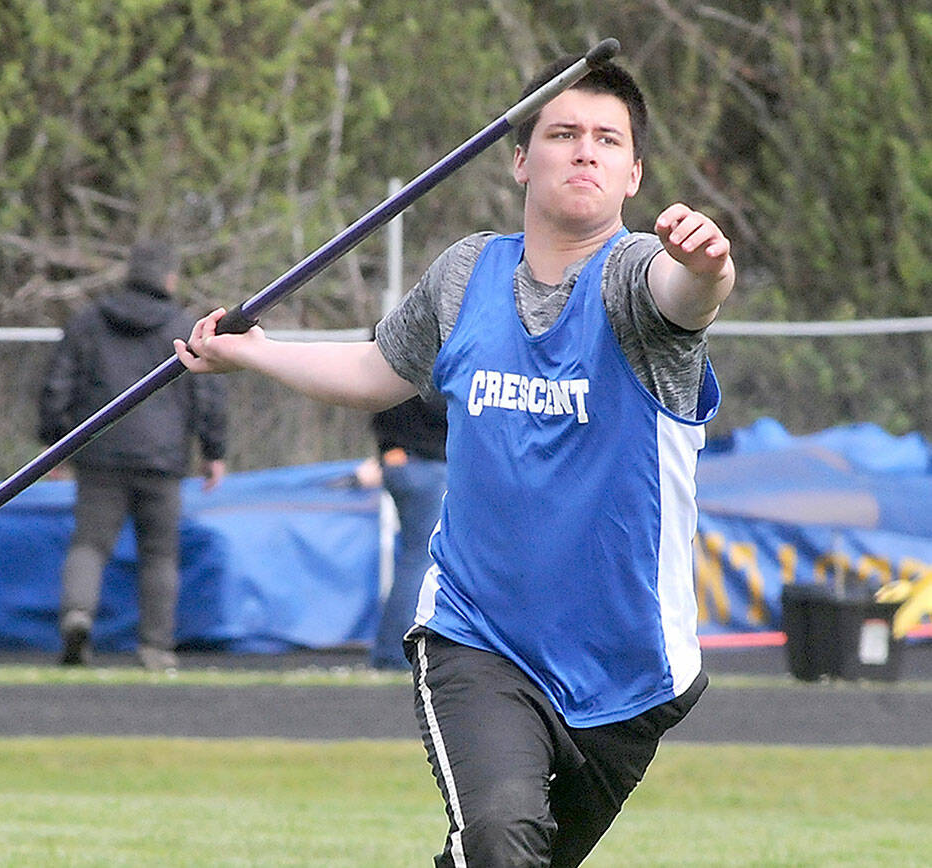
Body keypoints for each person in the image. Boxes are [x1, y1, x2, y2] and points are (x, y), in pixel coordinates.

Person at [174, 54, 734, 867]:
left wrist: (708, 268)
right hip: (478, 634)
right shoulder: (465, 273)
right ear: (519, 157)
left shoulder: (638, 279)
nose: (585, 151)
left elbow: (687, 298)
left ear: (634, 173)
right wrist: (256, 354)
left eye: (607, 140)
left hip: (625, 669)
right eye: (563, 133)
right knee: (501, 839)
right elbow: (377, 373)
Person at [38, 240, 227, 671]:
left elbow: (56, 385)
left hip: (99, 454)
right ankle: (156, 649)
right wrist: (213, 450)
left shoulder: (88, 322)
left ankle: (77, 617)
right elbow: (207, 392)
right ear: (169, 278)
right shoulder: (182, 326)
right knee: (160, 554)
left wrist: (56, 443)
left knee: (89, 544)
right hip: (162, 460)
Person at [368, 392, 448, 670]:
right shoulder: (427, 354)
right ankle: (394, 652)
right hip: (423, 461)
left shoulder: (389, 352)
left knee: (415, 557)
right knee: (422, 559)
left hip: (406, 459)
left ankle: (390, 650)